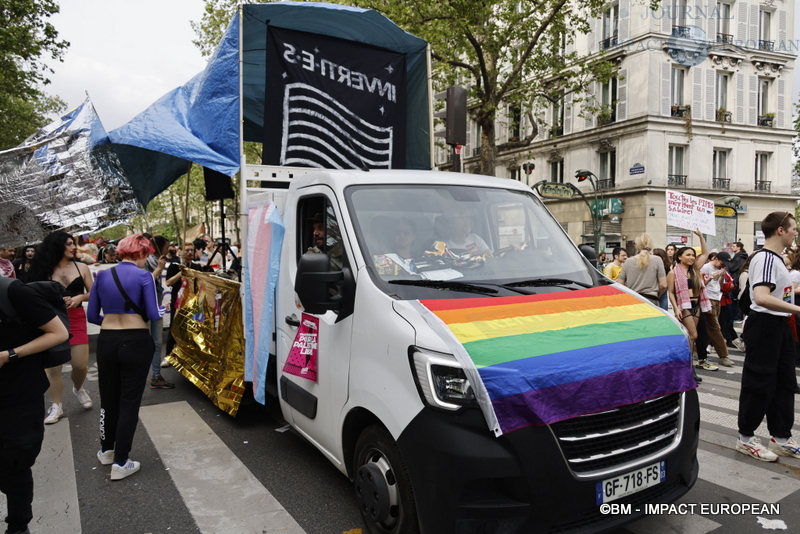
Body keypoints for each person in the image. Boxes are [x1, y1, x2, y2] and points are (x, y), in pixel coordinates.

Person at [87, 234, 165, 480]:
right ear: (141, 253)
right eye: (146, 255)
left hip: (107, 340)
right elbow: (153, 314)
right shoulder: (144, 276)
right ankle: (121, 461)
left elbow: (92, 315)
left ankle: (106, 450)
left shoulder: (102, 276)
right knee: (129, 401)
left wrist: (110, 322)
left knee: (108, 398)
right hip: (135, 341)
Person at [0, 277, 69, 534]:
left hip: (18, 396)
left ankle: (18, 527)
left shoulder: (11, 291)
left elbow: (58, 332)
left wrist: (9, 355)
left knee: (16, 464)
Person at [735, 211, 800, 462]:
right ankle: (745, 438)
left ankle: (780, 438)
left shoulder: (776, 259)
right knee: (759, 382)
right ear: (780, 230)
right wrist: (797, 309)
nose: (796, 232)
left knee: (784, 383)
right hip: (765, 326)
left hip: (779, 326)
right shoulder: (764, 258)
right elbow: (760, 297)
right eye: (793, 228)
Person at [28, 231, 94, 424]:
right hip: (51, 321)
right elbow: (31, 295)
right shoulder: (42, 270)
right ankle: (56, 405)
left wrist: (80, 297)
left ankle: (78, 388)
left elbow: (94, 292)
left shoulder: (81, 267)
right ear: (57, 246)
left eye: (73, 243)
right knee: (53, 368)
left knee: (80, 365)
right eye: (69, 244)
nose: (74, 247)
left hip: (76, 319)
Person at [667, 231, 720, 371]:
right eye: (688, 255)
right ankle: (687, 366)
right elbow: (670, 292)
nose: (692, 257)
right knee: (693, 335)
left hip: (696, 305)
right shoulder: (673, 272)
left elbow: (705, 254)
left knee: (691, 337)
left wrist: (701, 237)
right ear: (679, 257)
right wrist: (676, 308)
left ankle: (686, 365)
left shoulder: (695, 269)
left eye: (693, 255)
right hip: (684, 306)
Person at [143, 234, 174, 389]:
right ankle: (139, 376)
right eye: (166, 247)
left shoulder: (156, 261)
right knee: (144, 342)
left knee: (157, 341)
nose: (168, 250)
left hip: (157, 304)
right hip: (147, 307)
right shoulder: (145, 262)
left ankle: (156, 376)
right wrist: (159, 268)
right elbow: (145, 282)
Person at [163, 242, 204, 360]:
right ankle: (169, 355)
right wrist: (182, 272)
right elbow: (168, 282)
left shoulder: (196, 266)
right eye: (187, 250)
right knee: (174, 327)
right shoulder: (174, 266)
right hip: (178, 302)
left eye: (192, 250)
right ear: (180, 252)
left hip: (193, 303)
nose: (190, 252)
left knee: (193, 328)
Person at [699, 251, 735, 367]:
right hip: (708, 298)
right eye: (721, 263)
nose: (722, 266)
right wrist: (710, 278)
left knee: (711, 328)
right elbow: (701, 284)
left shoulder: (721, 270)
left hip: (716, 298)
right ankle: (723, 355)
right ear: (716, 259)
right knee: (715, 328)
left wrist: (722, 276)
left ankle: (698, 350)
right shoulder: (706, 267)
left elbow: (720, 286)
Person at [617, 233, 666, 306]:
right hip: (651, 298)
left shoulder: (628, 261)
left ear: (637, 246)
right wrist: (658, 295)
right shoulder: (657, 260)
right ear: (651, 244)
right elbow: (663, 285)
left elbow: (620, 283)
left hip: (633, 299)